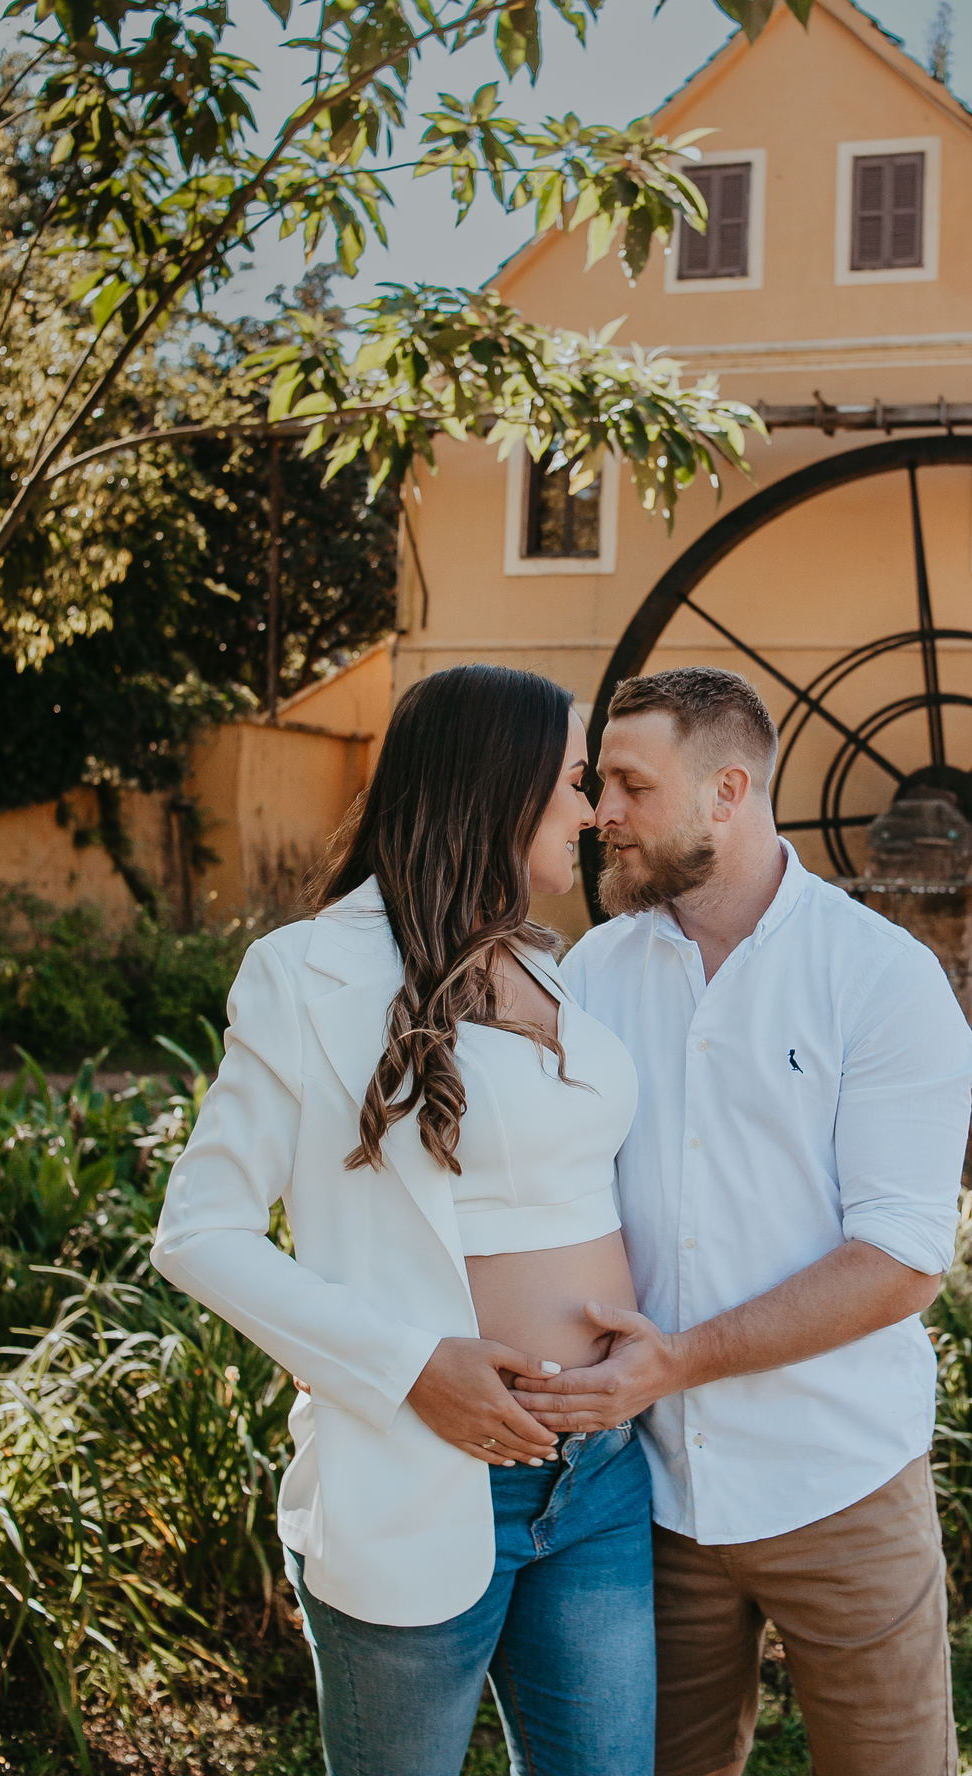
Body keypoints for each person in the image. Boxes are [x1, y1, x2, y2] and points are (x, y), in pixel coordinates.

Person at [151, 664, 655, 1776]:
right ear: (496, 788)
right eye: (572, 781)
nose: (590, 810)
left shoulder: (554, 965)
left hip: (602, 1477)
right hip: (421, 1467)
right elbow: (198, 1231)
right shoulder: (305, 974)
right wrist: (410, 1364)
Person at [514, 666, 972, 1776]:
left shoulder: (881, 980)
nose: (602, 814)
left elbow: (900, 1262)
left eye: (630, 783)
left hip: (843, 1489)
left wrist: (675, 1363)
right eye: (598, 784)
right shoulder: (590, 974)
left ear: (729, 791)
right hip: (648, 1500)